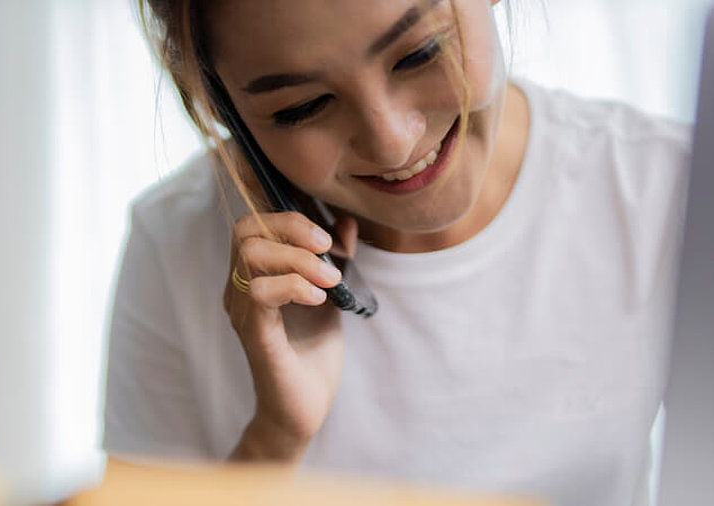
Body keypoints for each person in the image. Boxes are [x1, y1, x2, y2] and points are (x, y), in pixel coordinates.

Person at [103, 1, 691, 504]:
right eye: (302, 106)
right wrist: (276, 438)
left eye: (420, 53)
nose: (393, 141)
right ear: (224, 111)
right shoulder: (175, 244)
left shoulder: (665, 193)